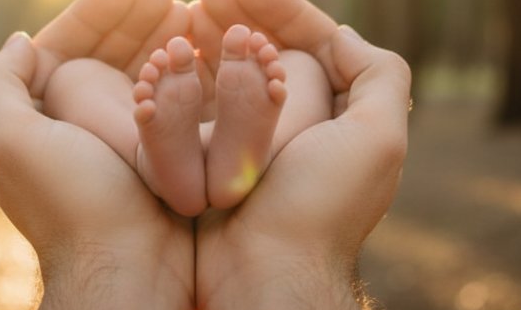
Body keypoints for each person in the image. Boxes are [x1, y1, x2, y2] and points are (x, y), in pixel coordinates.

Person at [0, 0, 412, 310]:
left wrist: (106, 245)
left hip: (136, 165)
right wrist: (292, 249)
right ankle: (254, 155)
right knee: (303, 65)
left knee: (71, 75)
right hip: (254, 167)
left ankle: (148, 157)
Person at [43, 23, 330, 217]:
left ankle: (142, 154)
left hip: (140, 102)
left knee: (74, 74)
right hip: (247, 141)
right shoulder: (260, 26)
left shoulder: (124, 28)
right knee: (303, 65)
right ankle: (261, 151)